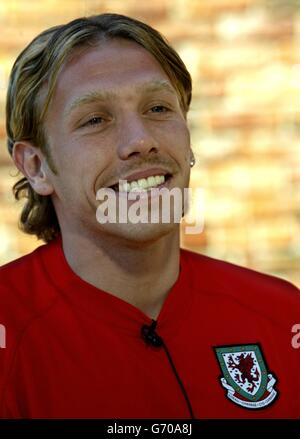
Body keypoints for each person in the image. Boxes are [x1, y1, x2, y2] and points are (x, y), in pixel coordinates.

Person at [0, 12, 299, 420]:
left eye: (158, 108)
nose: (140, 140)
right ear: (36, 166)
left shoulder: (283, 315)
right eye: (95, 120)